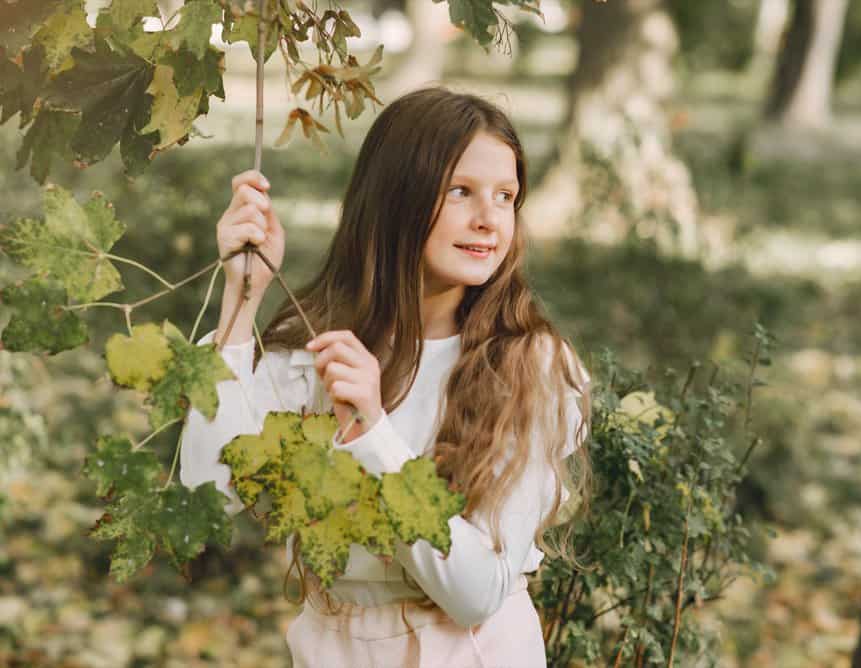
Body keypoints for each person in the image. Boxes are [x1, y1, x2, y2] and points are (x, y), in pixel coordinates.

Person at [179, 86, 593, 668]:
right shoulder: (318, 352)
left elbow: (475, 593)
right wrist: (240, 304)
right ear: (397, 199)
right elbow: (205, 498)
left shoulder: (528, 367)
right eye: (460, 192)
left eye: (505, 197)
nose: (487, 220)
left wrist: (372, 434)